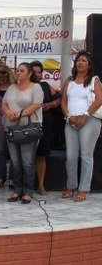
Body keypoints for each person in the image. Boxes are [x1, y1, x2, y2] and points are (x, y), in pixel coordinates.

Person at [61, 51, 102, 202]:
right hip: (71, 120)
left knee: (86, 155)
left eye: (83, 60)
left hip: (89, 120)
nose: (80, 63)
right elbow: (63, 101)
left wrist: (85, 115)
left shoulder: (94, 80)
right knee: (71, 156)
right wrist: (68, 116)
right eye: (78, 60)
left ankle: (83, 189)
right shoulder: (69, 81)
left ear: (89, 64)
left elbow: (99, 99)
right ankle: (70, 186)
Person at [2, 62, 43, 204]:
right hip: (12, 128)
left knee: (27, 161)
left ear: (29, 73)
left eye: (21, 70)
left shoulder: (36, 87)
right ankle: (17, 189)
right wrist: (8, 113)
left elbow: (36, 105)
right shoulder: (12, 87)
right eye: (17, 70)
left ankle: (29, 191)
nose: (18, 72)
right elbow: (4, 103)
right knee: (15, 161)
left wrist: (19, 114)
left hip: (27, 128)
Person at [30, 60, 61, 195]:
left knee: (41, 155)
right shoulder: (23, 86)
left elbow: (59, 98)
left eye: (39, 72)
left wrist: (51, 104)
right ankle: (24, 185)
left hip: (44, 123)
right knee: (25, 156)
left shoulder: (46, 86)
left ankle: (41, 184)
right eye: (34, 72)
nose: (37, 75)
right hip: (28, 124)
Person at [0, 64, 16, 189]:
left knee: (13, 151)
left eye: (3, 73)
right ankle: (0, 177)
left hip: (13, 120)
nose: (1, 75)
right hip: (0, 122)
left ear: (8, 73)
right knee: (1, 151)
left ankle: (12, 178)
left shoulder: (14, 87)